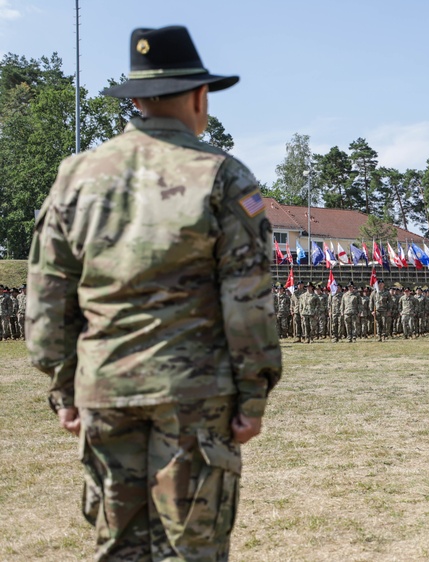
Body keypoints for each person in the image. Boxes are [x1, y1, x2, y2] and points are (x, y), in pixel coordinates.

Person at [25, 25, 281, 561]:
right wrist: (252, 395)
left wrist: (63, 386)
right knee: (192, 550)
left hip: (106, 390)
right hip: (194, 396)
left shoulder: (76, 176)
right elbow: (247, 301)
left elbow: (48, 293)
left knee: (118, 549)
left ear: (136, 98)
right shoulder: (225, 178)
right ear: (199, 95)